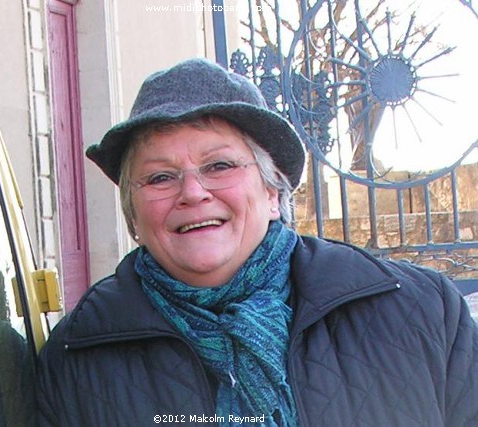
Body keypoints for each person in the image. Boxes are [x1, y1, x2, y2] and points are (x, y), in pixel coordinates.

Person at [36, 58, 478, 426]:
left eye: (220, 165)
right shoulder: (78, 352)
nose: (192, 192)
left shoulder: (421, 310)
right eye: (159, 177)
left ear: (272, 193)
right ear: (134, 216)